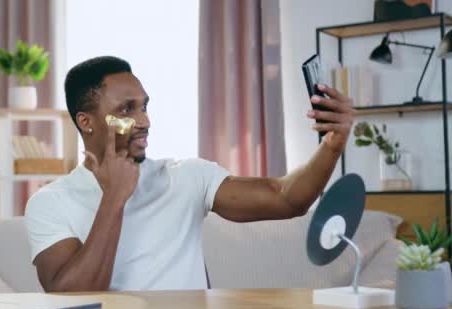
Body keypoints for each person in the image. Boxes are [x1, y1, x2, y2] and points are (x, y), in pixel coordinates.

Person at [25, 56, 355, 292]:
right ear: (87, 122)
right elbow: (68, 295)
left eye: (144, 106)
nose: (144, 121)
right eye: (127, 109)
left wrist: (332, 144)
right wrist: (114, 197)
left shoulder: (185, 177)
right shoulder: (51, 203)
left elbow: (286, 199)